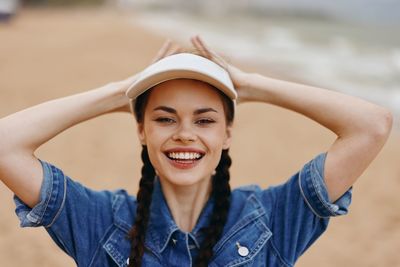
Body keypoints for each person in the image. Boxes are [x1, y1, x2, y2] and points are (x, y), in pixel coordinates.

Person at [0, 35, 392, 267]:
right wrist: (118, 93)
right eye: (165, 119)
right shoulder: (102, 221)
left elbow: (371, 126)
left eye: (204, 120)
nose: (185, 135)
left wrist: (256, 86)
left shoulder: (271, 218)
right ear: (141, 130)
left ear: (227, 134)